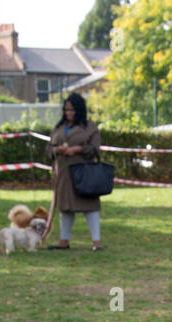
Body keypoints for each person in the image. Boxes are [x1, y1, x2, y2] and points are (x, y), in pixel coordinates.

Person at [46, 92, 104, 251]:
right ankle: (63, 240)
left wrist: (78, 149)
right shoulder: (59, 128)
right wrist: (57, 150)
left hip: (83, 173)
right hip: (64, 174)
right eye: (66, 110)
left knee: (89, 207)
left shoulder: (90, 128)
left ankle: (96, 242)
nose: (69, 113)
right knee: (65, 207)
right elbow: (48, 149)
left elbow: (95, 149)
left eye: (72, 110)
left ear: (79, 110)